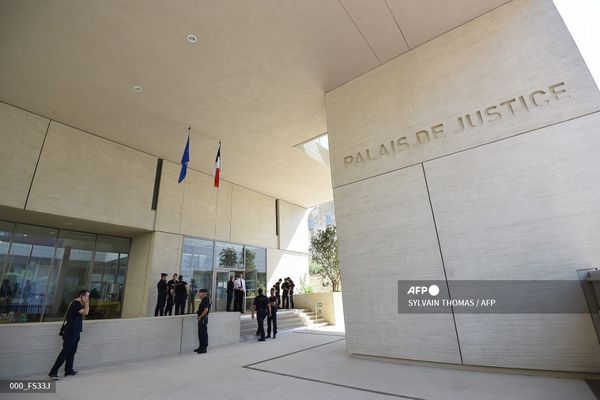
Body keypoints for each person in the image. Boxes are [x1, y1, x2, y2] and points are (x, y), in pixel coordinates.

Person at [49, 289, 90, 380]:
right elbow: (86, 312)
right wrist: (87, 303)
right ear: (81, 296)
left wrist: (86, 302)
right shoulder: (76, 304)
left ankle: (68, 370)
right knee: (65, 352)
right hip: (71, 332)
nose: (88, 298)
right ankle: (53, 372)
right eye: (86, 296)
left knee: (72, 352)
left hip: (76, 332)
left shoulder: (78, 304)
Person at [195, 289, 210, 354]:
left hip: (203, 319)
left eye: (200, 293)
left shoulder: (206, 300)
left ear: (204, 293)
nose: (198, 294)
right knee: (200, 333)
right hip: (201, 319)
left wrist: (200, 317)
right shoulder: (203, 300)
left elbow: (206, 310)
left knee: (203, 333)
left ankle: (204, 348)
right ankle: (200, 347)